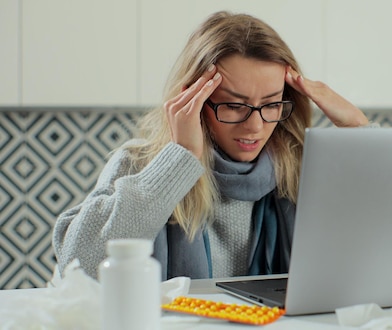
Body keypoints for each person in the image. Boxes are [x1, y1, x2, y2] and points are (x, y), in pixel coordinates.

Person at [53, 11, 373, 280]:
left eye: (272, 104)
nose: (255, 126)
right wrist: (180, 161)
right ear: (194, 100)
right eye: (234, 105)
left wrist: (359, 134)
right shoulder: (140, 162)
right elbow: (77, 267)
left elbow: (380, 250)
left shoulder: (302, 166)